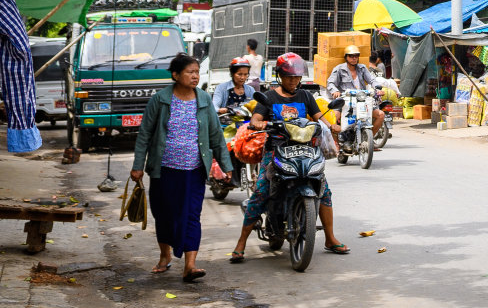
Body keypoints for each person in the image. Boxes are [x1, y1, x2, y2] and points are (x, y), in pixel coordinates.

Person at [228, 53, 348, 262]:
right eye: (289, 77)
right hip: (276, 151)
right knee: (261, 192)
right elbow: (256, 118)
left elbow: (320, 117)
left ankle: (329, 238)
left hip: (304, 150)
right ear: (280, 76)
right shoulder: (269, 97)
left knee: (324, 189)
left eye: (296, 77)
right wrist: (259, 123)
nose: (293, 81)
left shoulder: (305, 96)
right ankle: (241, 242)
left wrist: (334, 126)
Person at [131, 54, 232, 283]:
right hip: (163, 170)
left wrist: (226, 166)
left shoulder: (204, 99)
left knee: (191, 216)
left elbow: (216, 136)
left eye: (197, 71)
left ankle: (190, 265)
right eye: (190, 72)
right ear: (175, 75)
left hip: (194, 171)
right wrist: (138, 166)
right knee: (164, 214)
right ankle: (165, 255)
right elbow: (145, 134)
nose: (195, 76)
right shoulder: (160, 100)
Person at [326, 45, 382, 146]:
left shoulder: (362, 68)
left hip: (362, 100)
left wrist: (377, 88)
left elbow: (371, 80)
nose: (354, 58)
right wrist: (335, 91)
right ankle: (336, 143)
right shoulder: (339, 69)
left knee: (381, 115)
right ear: (346, 57)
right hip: (345, 101)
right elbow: (330, 83)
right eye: (351, 56)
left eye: (356, 56)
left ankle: (368, 140)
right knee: (333, 118)